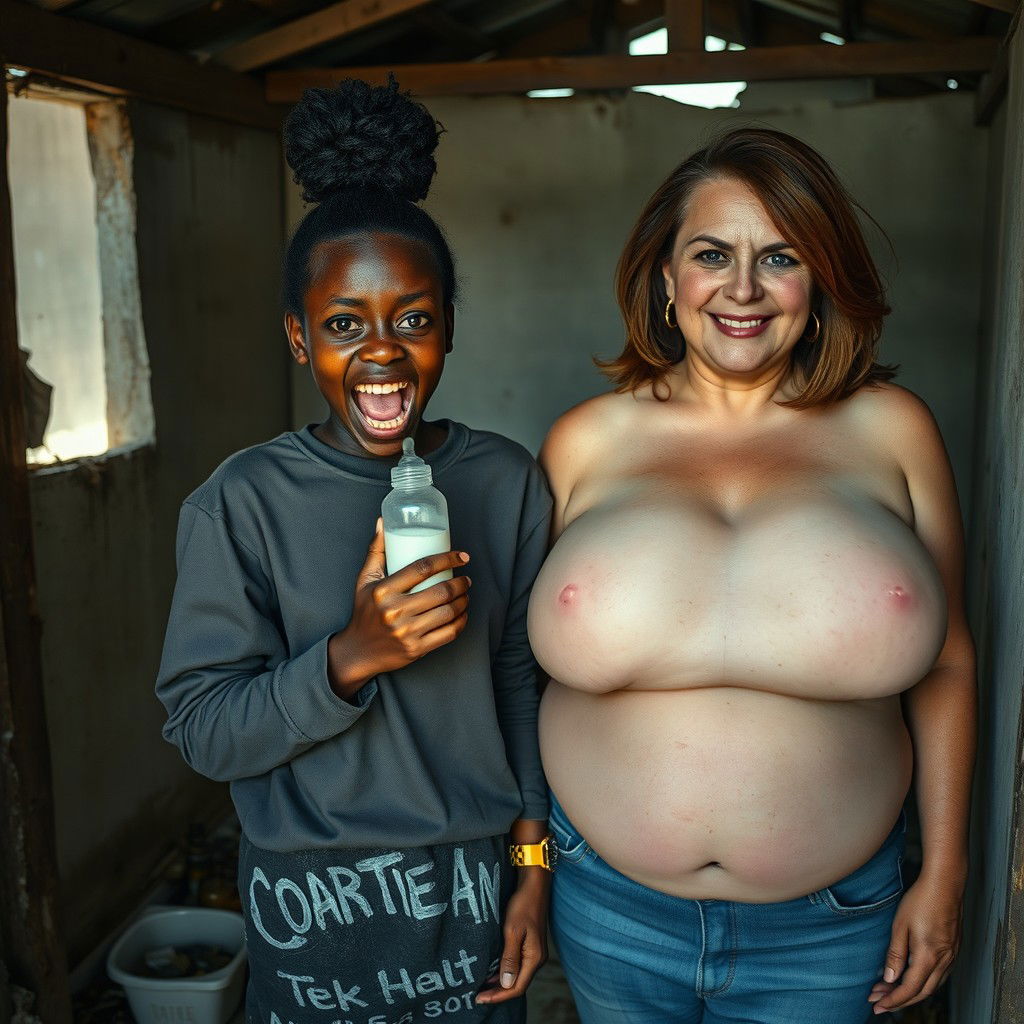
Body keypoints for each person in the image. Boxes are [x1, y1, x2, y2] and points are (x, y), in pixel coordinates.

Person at [528, 128, 975, 1024]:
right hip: (607, 909)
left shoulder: (893, 431)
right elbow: (512, 675)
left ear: (822, 279)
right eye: (711, 255)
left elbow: (951, 663)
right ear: (666, 277)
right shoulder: (584, 443)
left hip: (832, 931)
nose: (742, 288)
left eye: (780, 257)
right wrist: (528, 869)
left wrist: (946, 871)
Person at [156, 78, 553, 1024]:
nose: (382, 351)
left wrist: (534, 868)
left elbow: (522, 685)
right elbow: (205, 730)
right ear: (300, 339)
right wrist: (349, 657)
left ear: (448, 327)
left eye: (413, 318)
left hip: (472, 892)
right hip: (312, 903)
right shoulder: (241, 502)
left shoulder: (504, 481)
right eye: (344, 324)